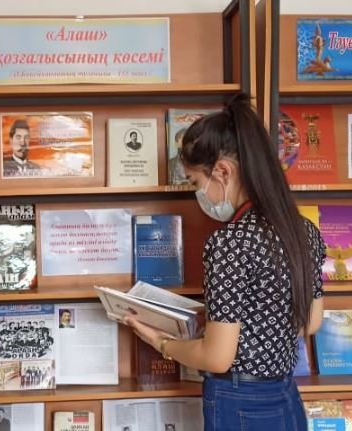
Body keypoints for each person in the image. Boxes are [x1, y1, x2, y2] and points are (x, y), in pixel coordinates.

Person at [125, 93, 326, 431]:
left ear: (222, 171)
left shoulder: (230, 242)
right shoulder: (304, 230)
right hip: (287, 397)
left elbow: (217, 358)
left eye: (195, 182)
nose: (197, 194)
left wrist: (161, 342)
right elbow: (311, 321)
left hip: (240, 401)